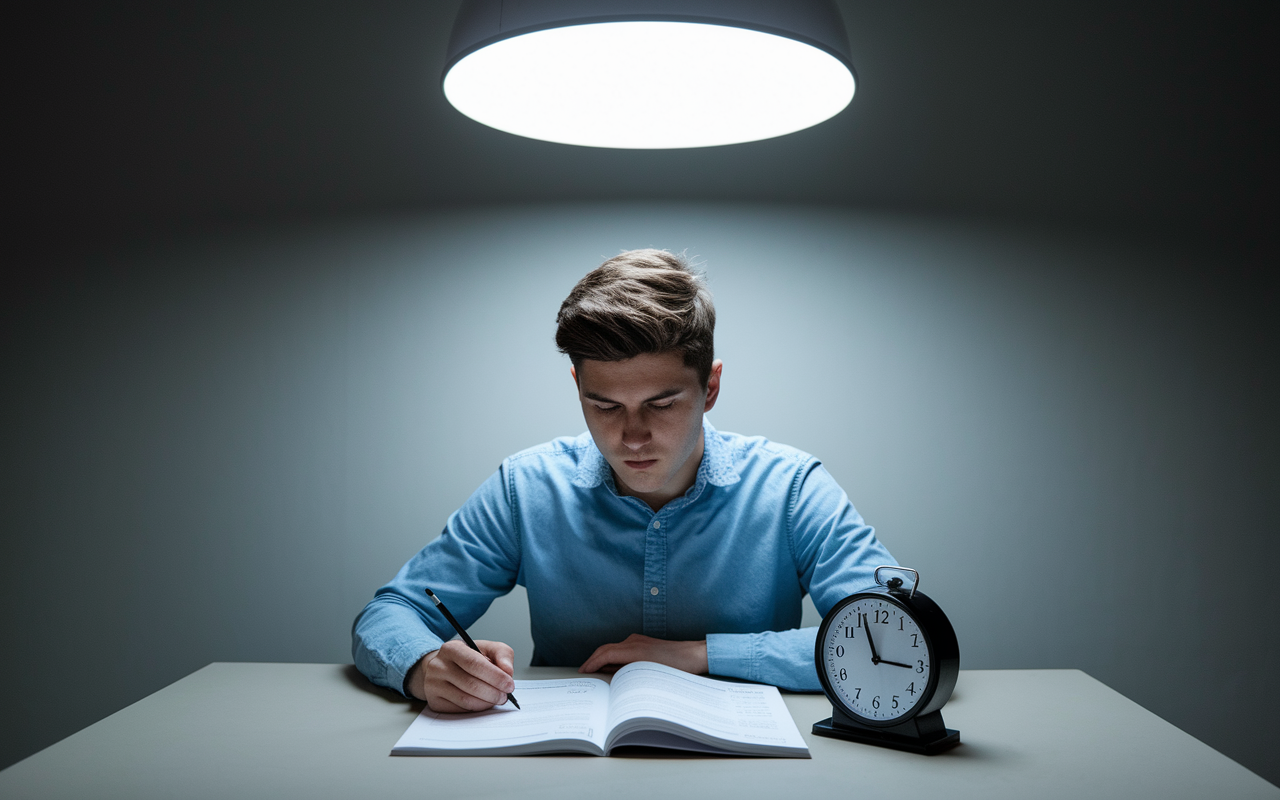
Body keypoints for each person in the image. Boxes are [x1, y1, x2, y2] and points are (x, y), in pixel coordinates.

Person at [352, 249, 896, 712]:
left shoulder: (792, 488)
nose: (632, 437)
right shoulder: (527, 487)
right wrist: (425, 667)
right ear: (577, 386)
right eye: (604, 405)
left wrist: (700, 654)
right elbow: (390, 613)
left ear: (710, 387)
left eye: (661, 404)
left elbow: (895, 634)